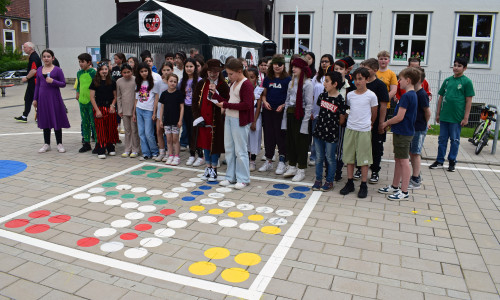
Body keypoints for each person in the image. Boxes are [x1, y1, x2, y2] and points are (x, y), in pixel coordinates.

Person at [212, 58, 254, 189]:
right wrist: (216, 96)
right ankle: (231, 177)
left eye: (230, 74)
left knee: (240, 150)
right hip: (230, 118)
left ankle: (243, 178)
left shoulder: (246, 84)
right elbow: (229, 100)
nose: (228, 77)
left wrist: (225, 104)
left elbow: (247, 105)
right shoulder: (233, 83)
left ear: (239, 71)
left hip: (239, 120)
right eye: (227, 74)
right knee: (229, 149)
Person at [378, 67, 419, 200]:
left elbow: (400, 116)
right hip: (401, 131)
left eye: (400, 79)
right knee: (398, 159)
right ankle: (395, 186)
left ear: (408, 80)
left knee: (403, 161)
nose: (398, 82)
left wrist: (386, 123)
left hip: (403, 132)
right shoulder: (410, 95)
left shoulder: (408, 96)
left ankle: (404, 191)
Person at [429, 57, 475, 172]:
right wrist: (438, 114)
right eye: (455, 65)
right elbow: (440, 98)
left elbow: (469, 100)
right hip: (445, 115)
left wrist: (466, 117)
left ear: (464, 68)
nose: (456, 67)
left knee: (454, 140)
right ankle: (440, 160)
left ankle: (452, 160)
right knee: (442, 139)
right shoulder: (448, 80)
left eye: (459, 66)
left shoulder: (467, 82)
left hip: (456, 117)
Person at [339, 68, 378, 198]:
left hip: (364, 130)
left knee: (363, 159)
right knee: (349, 157)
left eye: (360, 79)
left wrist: (370, 124)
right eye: (355, 79)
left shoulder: (371, 95)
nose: (357, 81)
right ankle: (350, 182)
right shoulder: (350, 95)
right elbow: (349, 110)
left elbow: (374, 113)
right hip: (350, 129)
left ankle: (363, 185)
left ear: (367, 80)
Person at [353, 58, 390, 184]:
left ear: (375, 70)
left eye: (367, 69)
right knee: (360, 146)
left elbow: (383, 105)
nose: (364, 72)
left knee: (376, 147)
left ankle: (375, 171)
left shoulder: (380, 85)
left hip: (374, 123)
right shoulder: (361, 84)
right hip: (361, 122)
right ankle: (359, 168)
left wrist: (381, 123)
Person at [192, 59, 230, 181]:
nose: (213, 74)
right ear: (207, 71)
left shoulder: (223, 85)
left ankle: (214, 168)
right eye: (211, 71)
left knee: (215, 145)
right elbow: (194, 102)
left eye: (216, 72)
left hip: (216, 121)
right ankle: (207, 167)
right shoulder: (201, 83)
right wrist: (198, 117)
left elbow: (226, 101)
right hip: (203, 119)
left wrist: (216, 93)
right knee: (205, 145)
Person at [312, 71, 346, 192]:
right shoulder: (322, 96)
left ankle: (329, 181)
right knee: (319, 158)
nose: (324, 83)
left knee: (330, 158)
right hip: (319, 131)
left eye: (327, 81)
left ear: (335, 83)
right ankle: (318, 179)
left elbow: (342, 120)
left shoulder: (340, 100)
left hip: (331, 134)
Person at [280, 57, 313, 182]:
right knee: (291, 141)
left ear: (303, 68)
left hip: (301, 114)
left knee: (301, 143)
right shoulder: (291, 82)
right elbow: (288, 101)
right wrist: (284, 119)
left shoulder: (308, 84)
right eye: (292, 66)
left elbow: (309, 105)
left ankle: (301, 169)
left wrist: (305, 124)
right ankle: (292, 165)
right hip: (290, 113)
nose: (293, 69)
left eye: (296, 67)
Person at [259, 55, 292, 174]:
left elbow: (289, 97)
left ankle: (282, 161)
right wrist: (265, 102)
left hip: (281, 112)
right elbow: (263, 94)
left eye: (280, 64)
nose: (277, 67)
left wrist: (283, 105)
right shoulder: (268, 78)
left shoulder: (288, 79)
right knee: (268, 136)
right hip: (268, 111)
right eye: (275, 64)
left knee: (281, 136)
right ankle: (268, 161)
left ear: (284, 65)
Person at [33, 49, 70, 153]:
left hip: (54, 98)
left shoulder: (57, 70)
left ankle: (59, 143)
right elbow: (37, 85)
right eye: (44, 56)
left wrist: (53, 81)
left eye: (48, 56)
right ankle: (46, 144)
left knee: (56, 119)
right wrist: (35, 99)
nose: (46, 58)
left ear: (52, 58)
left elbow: (63, 84)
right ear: (42, 58)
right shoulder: (39, 69)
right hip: (42, 99)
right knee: (45, 120)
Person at [89, 62, 118, 159]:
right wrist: (97, 110)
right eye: (102, 69)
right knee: (101, 129)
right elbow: (92, 98)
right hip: (99, 108)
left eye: (106, 69)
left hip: (109, 108)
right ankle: (101, 147)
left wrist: (113, 106)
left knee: (110, 127)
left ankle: (110, 146)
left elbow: (115, 96)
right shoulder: (95, 82)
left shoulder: (112, 82)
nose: (104, 71)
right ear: (99, 71)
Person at [309, 54, 334, 166]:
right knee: (316, 135)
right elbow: (312, 94)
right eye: (322, 61)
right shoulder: (316, 77)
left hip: (328, 112)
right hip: (316, 110)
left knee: (326, 136)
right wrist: (311, 111)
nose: (324, 63)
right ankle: (314, 156)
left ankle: (325, 158)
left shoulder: (333, 77)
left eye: (326, 61)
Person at [408, 67, 431, 189]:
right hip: (413, 127)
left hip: (419, 128)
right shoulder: (413, 93)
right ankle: (415, 175)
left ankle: (416, 179)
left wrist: (424, 124)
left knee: (416, 153)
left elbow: (427, 112)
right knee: (412, 152)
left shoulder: (422, 94)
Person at [179, 58, 203, 166]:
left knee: (197, 133)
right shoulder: (182, 81)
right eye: (187, 66)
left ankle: (201, 155)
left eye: (191, 66)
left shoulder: (200, 81)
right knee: (189, 132)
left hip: (196, 110)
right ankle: (192, 154)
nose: (189, 69)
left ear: (195, 68)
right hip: (186, 109)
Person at [134, 62, 160, 160]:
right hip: (139, 109)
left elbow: (156, 99)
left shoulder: (154, 83)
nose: (144, 73)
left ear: (149, 71)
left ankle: (154, 152)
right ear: (139, 72)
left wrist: (154, 113)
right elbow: (136, 99)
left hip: (149, 111)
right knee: (141, 133)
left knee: (149, 133)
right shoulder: (138, 83)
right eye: (142, 71)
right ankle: (146, 153)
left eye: (145, 71)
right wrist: (134, 112)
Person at [332, 60, 352, 181]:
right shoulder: (330, 85)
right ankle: (329, 169)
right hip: (330, 120)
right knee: (330, 146)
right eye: (336, 69)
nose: (338, 71)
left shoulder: (350, 86)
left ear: (346, 70)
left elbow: (351, 105)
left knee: (340, 147)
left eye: (341, 69)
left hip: (342, 121)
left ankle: (338, 170)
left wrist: (344, 114)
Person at [158, 74, 184, 166]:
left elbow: (182, 107)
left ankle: (177, 156)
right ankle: (170, 155)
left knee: (175, 139)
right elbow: (161, 108)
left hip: (175, 121)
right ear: (167, 81)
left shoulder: (179, 94)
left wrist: (180, 120)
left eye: (175, 82)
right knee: (168, 139)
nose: (173, 83)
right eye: (171, 81)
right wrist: (161, 120)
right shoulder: (164, 94)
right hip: (167, 121)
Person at [117, 64, 140, 158]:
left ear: (132, 71)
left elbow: (137, 96)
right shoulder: (119, 81)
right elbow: (118, 96)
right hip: (124, 109)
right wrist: (120, 109)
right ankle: (127, 148)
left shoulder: (136, 80)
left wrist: (135, 110)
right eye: (124, 72)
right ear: (121, 73)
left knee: (135, 130)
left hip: (134, 109)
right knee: (127, 130)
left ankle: (135, 149)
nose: (126, 74)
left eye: (128, 72)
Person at [15, 42, 42, 123]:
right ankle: (24, 116)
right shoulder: (32, 56)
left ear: (30, 48)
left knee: (36, 99)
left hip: (34, 82)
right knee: (28, 98)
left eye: (25, 47)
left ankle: (39, 116)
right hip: (32, 82)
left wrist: (26, 77)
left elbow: (34, 70)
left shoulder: (34, 57)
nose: (24, 49)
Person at [153, 62, 174, 161]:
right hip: (160, 112)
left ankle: (169, 152)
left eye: (168, 70)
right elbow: (156, 98)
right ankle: (161, 152)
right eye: (164, 70)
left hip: (170, 112)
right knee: (159, 131)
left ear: (172, 70)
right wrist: (154, 112)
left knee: (169, 134)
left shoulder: (174, 83)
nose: (166, 72)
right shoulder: (158, 83)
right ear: (161, 71)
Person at [76, 53, 97, 153]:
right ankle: (86, 143)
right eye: (79, 62)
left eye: (82, 62)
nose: (80, 64)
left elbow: (96, 85)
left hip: (91, 102)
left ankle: (98, 143)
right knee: (85, 122)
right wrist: (77, 92)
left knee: (94, 122)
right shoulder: (79, 73)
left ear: (89, 62)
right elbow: (79, 84)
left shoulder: (93, 72)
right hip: (82, 101)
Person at [246, 67, 264, 171]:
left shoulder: (259, 90)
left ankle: (252, 161)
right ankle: (246, 159)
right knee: (246, 138)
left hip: (255, 116)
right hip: (245, 115)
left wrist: (254, 121)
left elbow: (258, 106)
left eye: (252, 77)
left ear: (256, 78)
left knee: (254, 137)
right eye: (248, 77)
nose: (250, 80)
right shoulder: (245, 88)